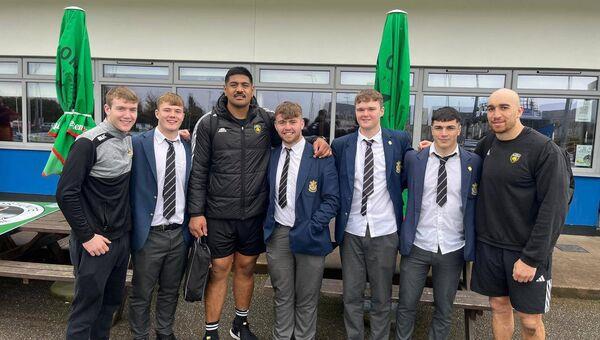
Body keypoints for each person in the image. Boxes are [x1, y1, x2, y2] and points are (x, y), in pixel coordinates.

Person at [187, 66, 330, 340]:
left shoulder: (265, 120)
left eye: (244, 85)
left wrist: (317, 140)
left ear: (252, 90)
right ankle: (210, 331)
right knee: (218, 270)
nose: (239, 89)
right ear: (225, 88)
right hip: (218, 215)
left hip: (254, 214)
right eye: (233, 84)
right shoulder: (208, 123)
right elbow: (198, 170)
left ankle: (239, 325)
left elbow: (292, 136)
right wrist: (196, 212)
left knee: (246, 268)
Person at [471, 88, 570, 340]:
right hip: (490, 247)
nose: (496, 114)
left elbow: (554, 208)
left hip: (525, 251)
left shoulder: (544, 149)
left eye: (504, 108)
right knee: (499, 307)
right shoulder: (487, 144)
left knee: (529, 321)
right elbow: (462, 165)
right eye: (491, 108)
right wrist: (430, 150)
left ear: (519, 111)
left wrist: (532, 258)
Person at [56, 86, 138, 340]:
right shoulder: (87, 143)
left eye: (132, 109)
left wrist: (178, 134)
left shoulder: (128, 138)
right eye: (121, 108)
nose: (127, 115)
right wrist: (87, 236)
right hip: (95, 242)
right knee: (86, 311)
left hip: (121, 239)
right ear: (106, 109)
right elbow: (65, 194)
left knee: (109, 306)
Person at [331, 89, 412, 340]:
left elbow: (410, 174)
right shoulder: (341, 145)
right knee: (352, 295)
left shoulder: (399, 140)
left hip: (385, 230)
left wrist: (430, 148)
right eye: (360, 110)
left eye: (371, 109)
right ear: (355, 112)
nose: (365, 114)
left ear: (381, 111)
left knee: (381, 296)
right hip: (352, 230)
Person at [395, 107, 482, 340]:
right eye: (439, 128)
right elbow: (395, 187)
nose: (444, 133)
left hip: (452, 248)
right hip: (417, 246)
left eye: (450, 127)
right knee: (406, 306)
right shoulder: (414, 158)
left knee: (444, 309)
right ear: (431, 129)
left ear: (459, 129)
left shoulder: (473, 162)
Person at [263, 101, 339, 340]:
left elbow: (332, 199)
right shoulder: (271, 155)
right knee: (282, 295)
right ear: (276, 125)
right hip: (278, 235)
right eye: (282, 122)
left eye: (292, 122)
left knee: (307, 298)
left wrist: (312, 226)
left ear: (302, 124)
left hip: (310, 233)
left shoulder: (320, 155)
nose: (287, 127)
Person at [129, 92, 193, 340]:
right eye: (167, 110)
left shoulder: (188, 147)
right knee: (142, 292)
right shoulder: (138, 144)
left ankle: (165, 332)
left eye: (177, 112)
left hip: (178, 234)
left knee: (170, 290)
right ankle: (140, 335)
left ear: (183, 116)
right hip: (149, 234)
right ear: (157, 113)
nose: (172, 115)